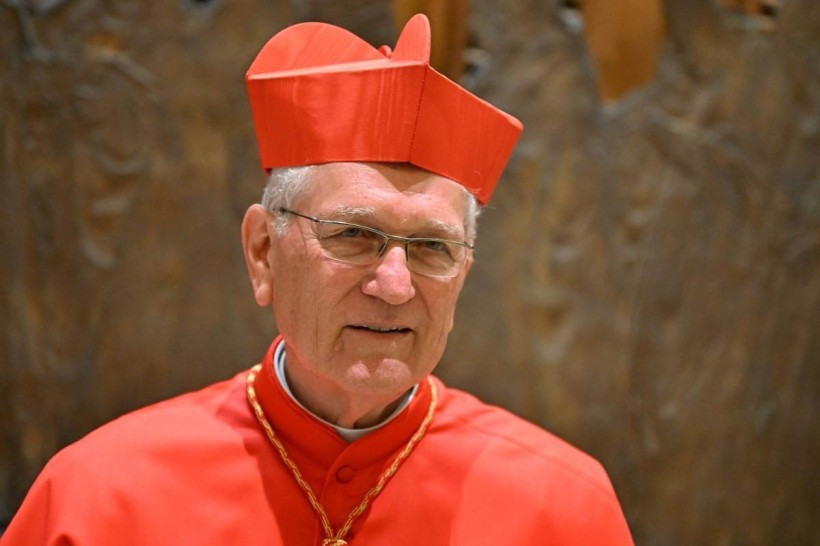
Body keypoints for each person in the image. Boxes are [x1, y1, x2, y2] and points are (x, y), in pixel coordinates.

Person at [1, 14, 633, 546]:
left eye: (432, 247)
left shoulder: (564, 508)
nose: (394, 285)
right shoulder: (99, 497)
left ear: (464, 271)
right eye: (353, 235)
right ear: (263, 252)